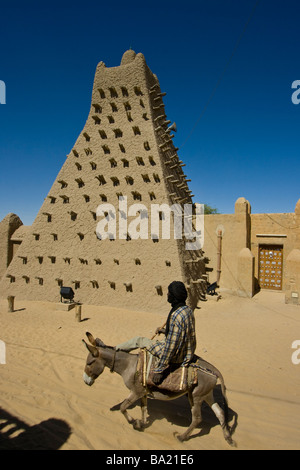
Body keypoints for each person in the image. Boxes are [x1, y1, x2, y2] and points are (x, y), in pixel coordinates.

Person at [115, 281, 196, 385]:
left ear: (174, 296)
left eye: (169, 293)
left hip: (177, 356)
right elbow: (183, 332)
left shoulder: (176, 315)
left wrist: (160, 370)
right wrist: (165, 331)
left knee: (139, 340)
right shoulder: (187, 310)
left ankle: (115, 349)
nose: (167, 295)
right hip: (187, 352)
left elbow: (171, 347)